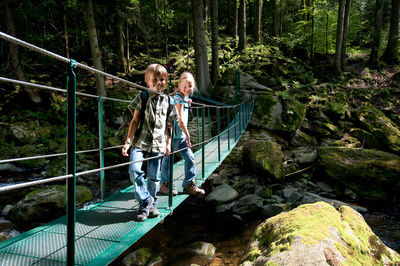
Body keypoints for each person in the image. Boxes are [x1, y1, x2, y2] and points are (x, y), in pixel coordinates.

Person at [122, 64, 178, 222]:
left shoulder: (169, 101)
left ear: (166, 81)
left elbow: (169, 125)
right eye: (155, 79)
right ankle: (146, 200)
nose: (159, 82)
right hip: (140, 142)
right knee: (134, 170)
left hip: (159, 144)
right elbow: (134, 121)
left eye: (162, 79)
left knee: (154, 177)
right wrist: (128, 141)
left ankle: (148, 206)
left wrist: (168, 144)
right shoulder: (142, 97)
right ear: (148, 81)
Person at [159, 72, 205, 196]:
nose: (187, 88)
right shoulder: (178, 98)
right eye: (185, 85)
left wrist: (187, 102)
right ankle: (164, 184)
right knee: (167, 160)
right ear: (179, 85)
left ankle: (188, 184)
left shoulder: (184, 98)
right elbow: (180, 120)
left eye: (190, 86)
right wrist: (188, 136)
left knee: (189, 157)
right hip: (172, 135)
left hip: (180, 136)